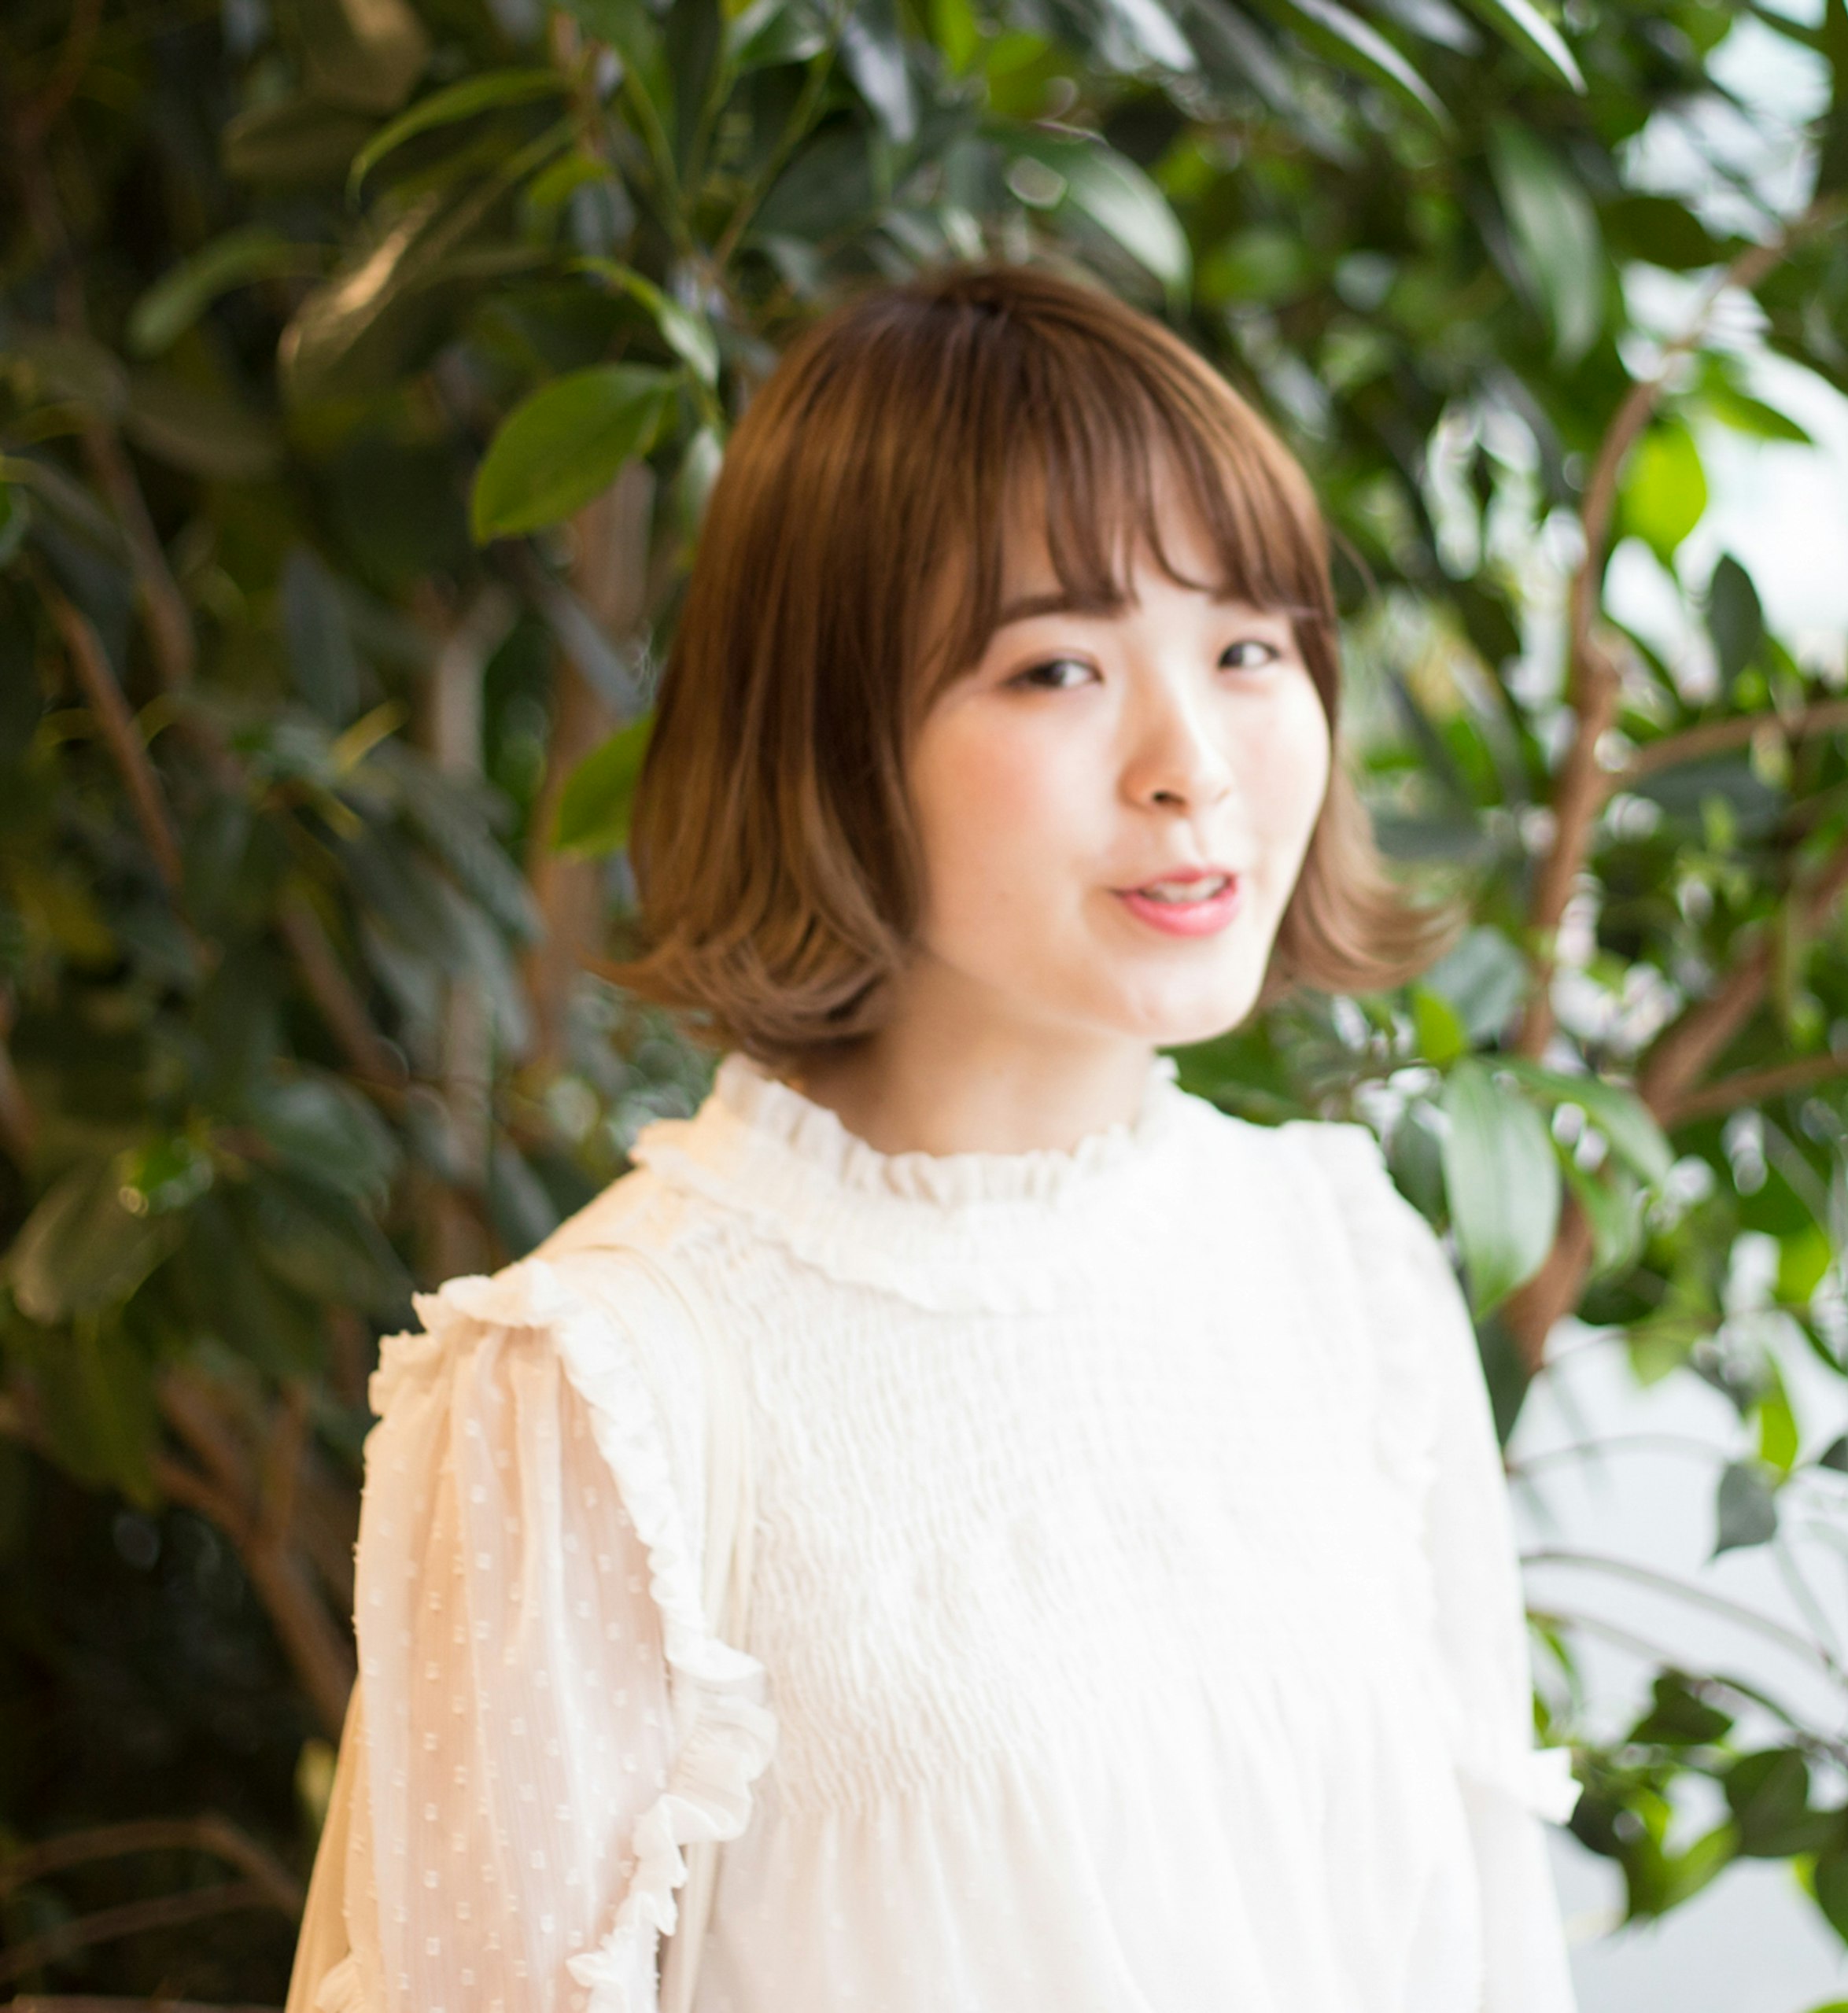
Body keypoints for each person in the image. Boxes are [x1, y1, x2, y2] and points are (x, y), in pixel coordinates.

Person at [285, 264, 1582, 2013]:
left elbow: (1489, 1958)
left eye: (1249, 646)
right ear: (835, 737)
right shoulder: (603, 1394)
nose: (1191, 757)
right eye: (1054, 665)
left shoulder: (1342, 1263)